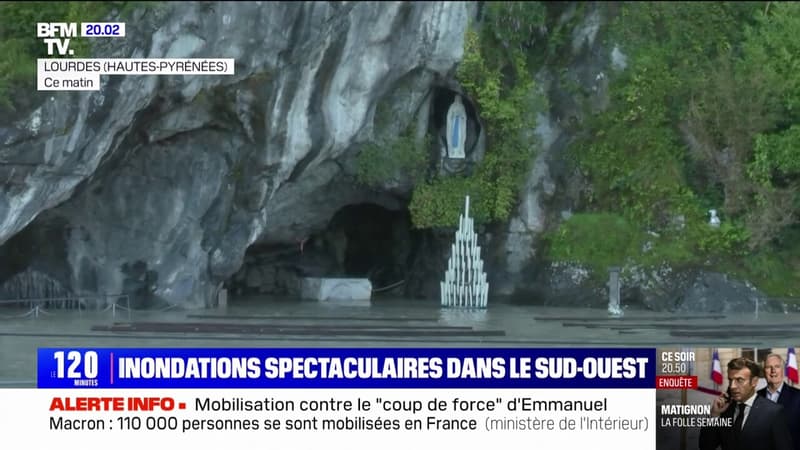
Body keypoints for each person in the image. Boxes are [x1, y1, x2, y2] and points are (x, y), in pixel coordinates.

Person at [699, 357, 793, 450]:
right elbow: (705, 446)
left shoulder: (773, 412)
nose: (732, 386)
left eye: (739, 380)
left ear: (754, 382)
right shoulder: (725, 411)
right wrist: (714, 415)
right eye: (730, 380)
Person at [759, 353, 800, 450]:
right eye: (769, 367)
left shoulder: (798, 397)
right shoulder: (756, 397)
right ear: (764, 371)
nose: (773, 371)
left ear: (783, 370)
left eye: (777, 366)